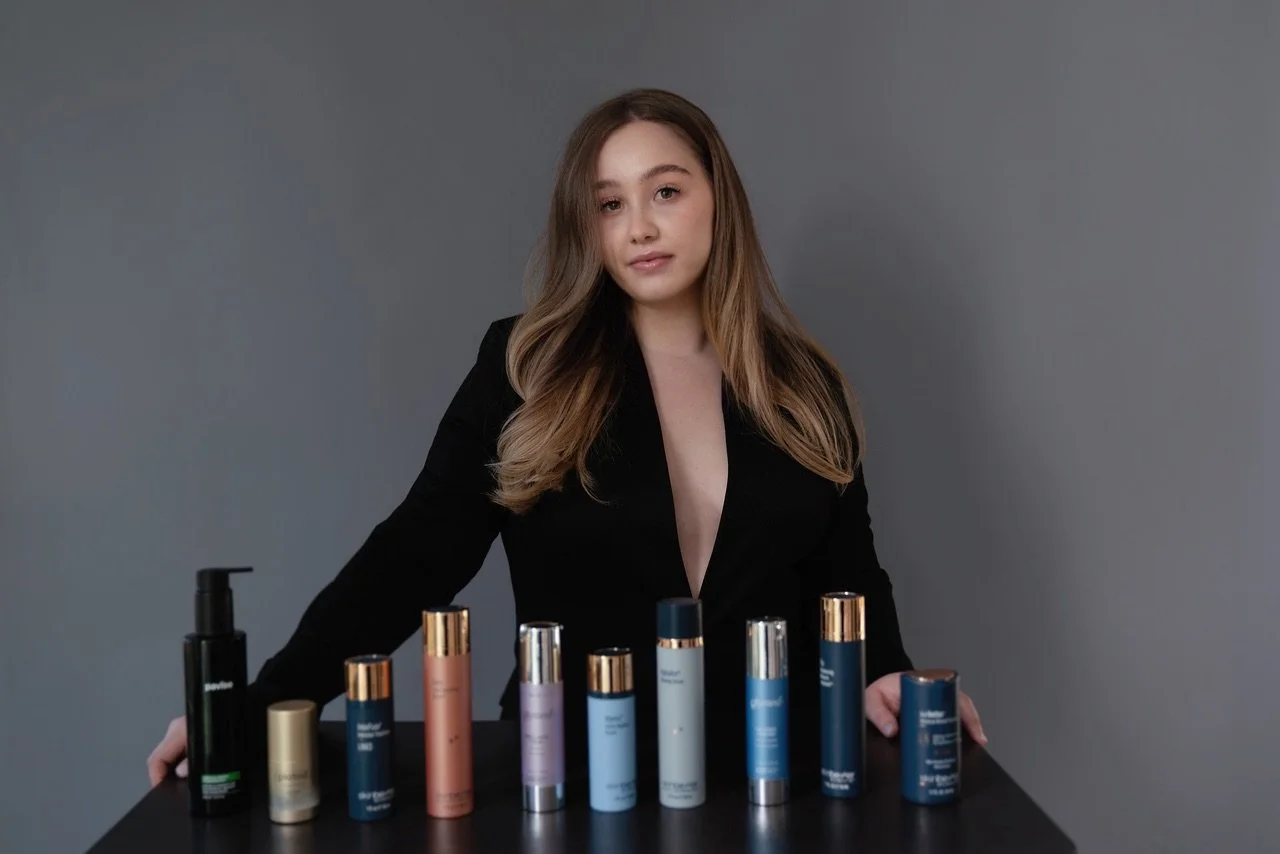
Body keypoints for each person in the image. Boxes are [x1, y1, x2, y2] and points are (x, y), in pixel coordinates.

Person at [148, 87, 986, 788]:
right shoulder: (528, 368)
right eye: (610, 204)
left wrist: (896, 678)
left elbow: (851, 575)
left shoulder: (806, 386)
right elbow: (414, 554)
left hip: (769, 776)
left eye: (666, 191)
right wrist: (261, 704)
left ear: (717, 197)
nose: (640, 226)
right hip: (569, 775)